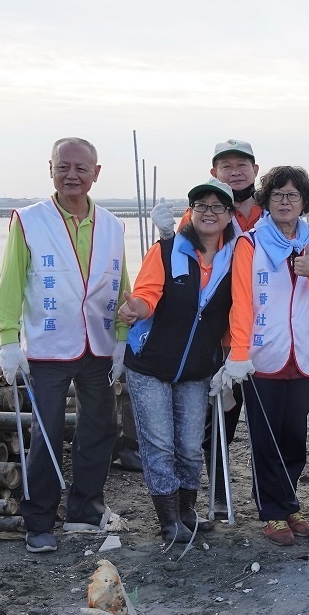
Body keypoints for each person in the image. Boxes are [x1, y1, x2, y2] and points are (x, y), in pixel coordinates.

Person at [0, 138, 130, 553]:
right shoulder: (31, 220)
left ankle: (85, 509)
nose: (72, 175)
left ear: (96, 172)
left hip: (99, 344)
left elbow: (120, 282)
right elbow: (12, 282)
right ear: (50, 168)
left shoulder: (112, 224)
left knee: (100, 427)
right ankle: (38, 520)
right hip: (49, 345)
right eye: (63, 167)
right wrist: (7, 339)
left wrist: (123, 339)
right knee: (47, 430)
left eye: (80, 168)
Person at [225, 166, 309, 546]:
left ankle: (290, 503)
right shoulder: (249, 244)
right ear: (266, 201)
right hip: (264, 353)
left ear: (305, 201)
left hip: (304, 353)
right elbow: (241, 303)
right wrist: (238, 353)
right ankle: (272, 512)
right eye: (277, 195)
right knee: (265, 436)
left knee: (294, 434)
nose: (285, 201)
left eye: (292, 195)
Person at [118, 179, 236, 542]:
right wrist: (134, 308)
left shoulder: (237, 258)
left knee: (188, 445)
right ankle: (168, 519)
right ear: (191, 211)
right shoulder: (168, 250)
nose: (209, 212)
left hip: (198, 369)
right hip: (149, 363)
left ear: (230, 215)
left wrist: (231, 360)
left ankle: (187, 510)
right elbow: (147, 293)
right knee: (159, 444)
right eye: (202, 205)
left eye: (218, 206)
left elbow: (237, 313)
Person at [152, 139, 262, 518]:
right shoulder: (198, 215)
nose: (235, 172)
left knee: (264, 420)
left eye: (242, 165)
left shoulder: (270, 212)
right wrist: (166, 237)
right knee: (219, 418)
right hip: (217, 335)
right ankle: (218, 491)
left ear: (255, 170)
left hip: (267, 334)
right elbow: (176, 265)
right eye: (226, 165)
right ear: (213, 172)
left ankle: (269, 497)